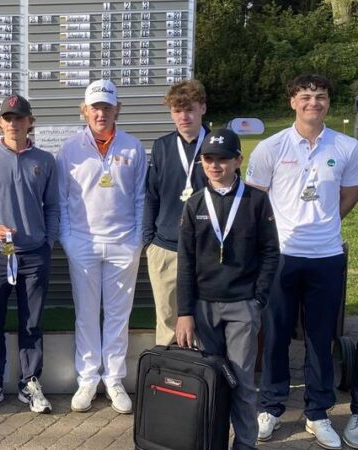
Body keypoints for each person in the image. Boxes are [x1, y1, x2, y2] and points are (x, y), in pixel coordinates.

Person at [247, 74, 358, 449]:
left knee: (319, 336)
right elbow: (256, 200)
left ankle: (317, 413)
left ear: (329, 102)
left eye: (321, 97)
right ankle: (271, 407)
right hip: (281, 257)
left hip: (325, 257)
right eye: (306, 96)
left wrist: (324, 225)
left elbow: (349, 194)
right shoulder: (271, 147)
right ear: (292, 101)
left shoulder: (346, 146)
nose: (314, 102)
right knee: (276, 334)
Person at [176, 129, 279, 450]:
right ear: (201, 163)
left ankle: (245, 444)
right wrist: (184, 312)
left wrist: (257, 298)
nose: (216, 165)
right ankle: (212, 442)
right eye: (209, 159)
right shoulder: (194, 205)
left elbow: (271, 253)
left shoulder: (256, 201)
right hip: (204, 309)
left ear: (238, 160)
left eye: (223, 159)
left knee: (242, 380)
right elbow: (185, 262)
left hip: (242, 306)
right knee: (211, 381)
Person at [0, 94, 59, 414]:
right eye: (8, 118)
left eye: (19, 118)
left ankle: (29, 383)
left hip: (34, 256)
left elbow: (54, 207)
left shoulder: (45, 161)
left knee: (31, 324)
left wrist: (48, 242)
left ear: (30, 122)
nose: (13, 123)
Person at [56, 79, 146, 415]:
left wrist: (135, 239)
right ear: (85, 110)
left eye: (107, 107)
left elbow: (139, 198)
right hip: (83, 243)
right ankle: (88, 378)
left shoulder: (133, 147)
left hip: (123, 243)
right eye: (95, 107)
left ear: (117, 110)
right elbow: (62, 200)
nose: (101, 113)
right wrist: (68, 240)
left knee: (118, 316)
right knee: (87, 314)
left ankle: (114, 378)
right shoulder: (70, 149)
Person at [143, 80, 209, 346]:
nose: (183, 116)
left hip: (206, 249)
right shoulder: (162, 146)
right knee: (168, 319)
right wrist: (149, 242)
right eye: (177, 110)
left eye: (190, 109)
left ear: (203, 108)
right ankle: (169, 380)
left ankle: (204, 382)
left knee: (205, 320)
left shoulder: (217, 145)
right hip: (166, 248)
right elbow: (151, 195)